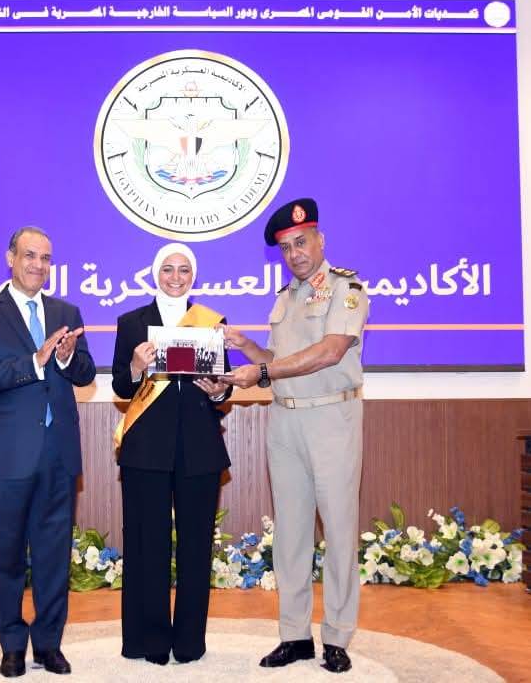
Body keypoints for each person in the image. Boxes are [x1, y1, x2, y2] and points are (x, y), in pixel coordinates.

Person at [219, 198, 369, 674]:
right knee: (290, 534)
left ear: (320, 240)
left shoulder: (347, 289)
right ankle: (295, 636)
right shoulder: (285, 297)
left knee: (339, 532)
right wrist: (248, 347)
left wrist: (262, 372)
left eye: (301, 242)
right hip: (284, 423)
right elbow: (279, 361)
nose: (295, 254)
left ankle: (337, 638)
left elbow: (329, 352)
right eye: (286, 247)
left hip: (331, 420)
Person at [0, 226, 96, 678]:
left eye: (46, 258)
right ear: (10, 258)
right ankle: (12, 646)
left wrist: (65, 358)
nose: (38, 265)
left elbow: (84, 373)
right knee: (9, 558)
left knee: (54, 557)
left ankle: (49, 645)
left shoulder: (66, 312)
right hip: (6, 458)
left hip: (58, 455)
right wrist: (35, 362)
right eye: (30, 255)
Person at [111, 243, 232, 665]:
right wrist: (135, 367)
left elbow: (223, 389)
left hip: (199, 448)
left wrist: (219, 391)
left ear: (192, 276)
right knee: (146, 546)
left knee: (196, 548)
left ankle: (189, 643)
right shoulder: (131, 323)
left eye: (183, 270)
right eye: (168, 269)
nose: (175, 277)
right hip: (146, 451)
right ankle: (149, 641)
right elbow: (122, 388)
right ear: (155, 273)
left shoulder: (212, 323)